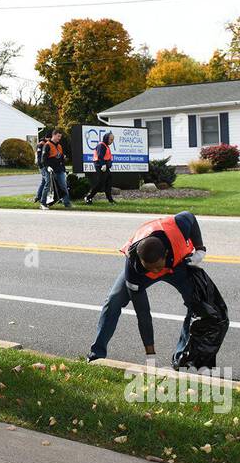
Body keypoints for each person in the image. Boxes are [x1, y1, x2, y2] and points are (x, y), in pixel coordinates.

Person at [86, 211, 207, 361]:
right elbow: (143, 314)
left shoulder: (179, 226)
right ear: (141, 261)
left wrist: (200, 249)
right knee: (113, 300)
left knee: (197, 303)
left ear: (166, 254)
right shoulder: (133, 269)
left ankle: (181, 358)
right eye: (149, 267)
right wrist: (150, 354)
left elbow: (190, 216)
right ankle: (96, 355)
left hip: (175, 266)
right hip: (143, 275)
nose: (155, 272)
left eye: (157, 267)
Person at [40, 129, 72, 209]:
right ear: (53, 135)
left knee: (63, 185)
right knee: (47, 185)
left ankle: (67, 204)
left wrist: (63, 162)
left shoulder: (59, 146)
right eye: (58, 136)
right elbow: (43, 159)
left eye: (60, 137)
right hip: (50, 169)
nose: (59, 138)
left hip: (59, 169)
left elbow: (60, 158)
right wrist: (47, 167)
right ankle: (43, 203)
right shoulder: (47, 145)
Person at [84, 131, 116, 204]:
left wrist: (108, 164)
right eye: (111, 139)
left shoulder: (106, 145)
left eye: (112, 140)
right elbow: (100, 156)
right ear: (106, 138)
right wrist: (103, 165)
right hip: (100, 166)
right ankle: (88, 197)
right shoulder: (101, 145)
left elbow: (107, 157)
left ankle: (110, 200)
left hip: (105, 166)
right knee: (100, 184)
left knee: (108, 182)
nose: (111, 141)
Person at [34, 133, 55, 208]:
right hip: (42, 166)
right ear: (47, 138)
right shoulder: (41, 144)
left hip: (43, 166)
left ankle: (38, 197)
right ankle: (42, 199)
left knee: (43, 182)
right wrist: (43, 166)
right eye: (50, 138)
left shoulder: (44, 143)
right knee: (47, 182)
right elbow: (40, 157)